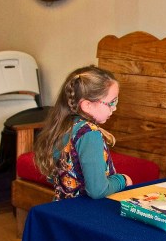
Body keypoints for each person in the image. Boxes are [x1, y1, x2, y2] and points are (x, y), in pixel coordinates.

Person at [33, 65, 132, 200]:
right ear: (87, 105)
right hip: (86, 212)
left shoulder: (64, 125)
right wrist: (122, 179)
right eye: (111, 102)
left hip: (60, 208)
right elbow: (97, 190)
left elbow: (54, 176)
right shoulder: (89, 134)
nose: (114, 108)